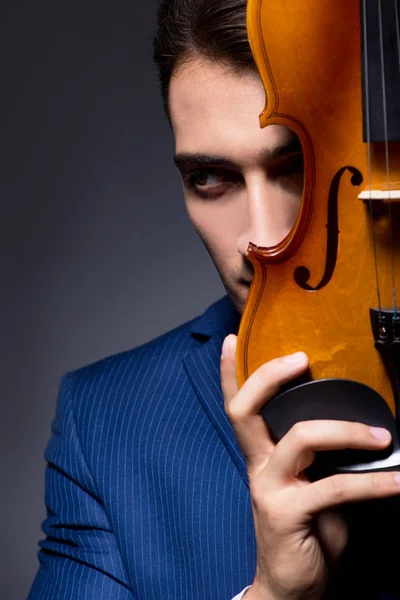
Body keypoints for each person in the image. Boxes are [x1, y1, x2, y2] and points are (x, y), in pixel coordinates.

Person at [27, 0, 400, 598]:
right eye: (211, 178)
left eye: (299, 164)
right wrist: (273, 595)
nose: (262, 238)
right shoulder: (106, 423)